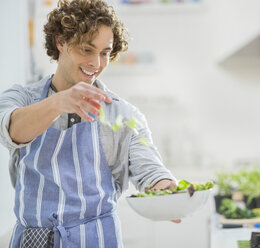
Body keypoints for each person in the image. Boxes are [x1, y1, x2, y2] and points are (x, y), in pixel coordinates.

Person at [0, 0, 179, 247]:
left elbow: (150, 170)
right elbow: (11, 130)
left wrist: (166, 189)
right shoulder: (22, 98)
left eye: (105, 53)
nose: (96, 63)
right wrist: (58, 103)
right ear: (60, 42)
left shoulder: (123, 114)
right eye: (86, 49)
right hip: (34, 241)